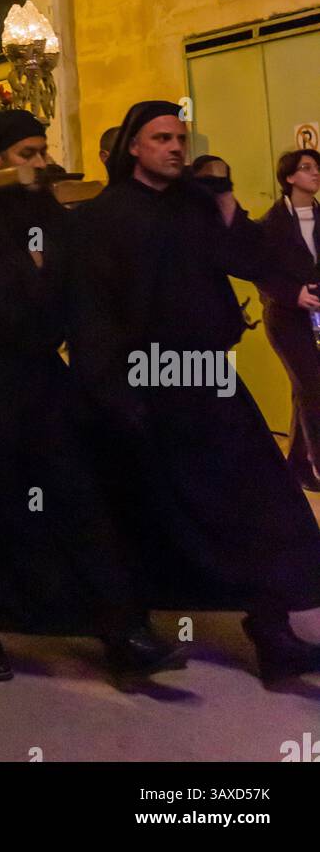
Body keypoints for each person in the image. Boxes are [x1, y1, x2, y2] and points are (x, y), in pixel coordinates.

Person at [0, 110, 181, 684]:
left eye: (42, 151)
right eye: (27, 153)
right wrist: (32, 278)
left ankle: (121, 631)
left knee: (78, 497)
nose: (41, 162)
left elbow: (73, 292)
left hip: (40, 376)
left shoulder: (47, 215)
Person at [69, 101, 320, 687]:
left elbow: (258, 260)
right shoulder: (101, 220)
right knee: (142, 511)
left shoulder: (198, 207)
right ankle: (129, 640)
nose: (176, 147)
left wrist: (228, 204)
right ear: (134, 146)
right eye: (161, 138)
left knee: (261, 501)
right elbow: (93, 313)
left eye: (181, 138)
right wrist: (110, 392)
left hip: (209, 379)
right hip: (144, 384)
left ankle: (273, 632)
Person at [257, 149, 320, 490]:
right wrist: (293, 293)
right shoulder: (271, 224)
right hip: (286, 318)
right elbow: (261, 273)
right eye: (306, 168)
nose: (315, 173)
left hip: (318, 316)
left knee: (304, 389)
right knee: (313, 388)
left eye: (317, 168)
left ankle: (295, 466)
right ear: (290, 178)